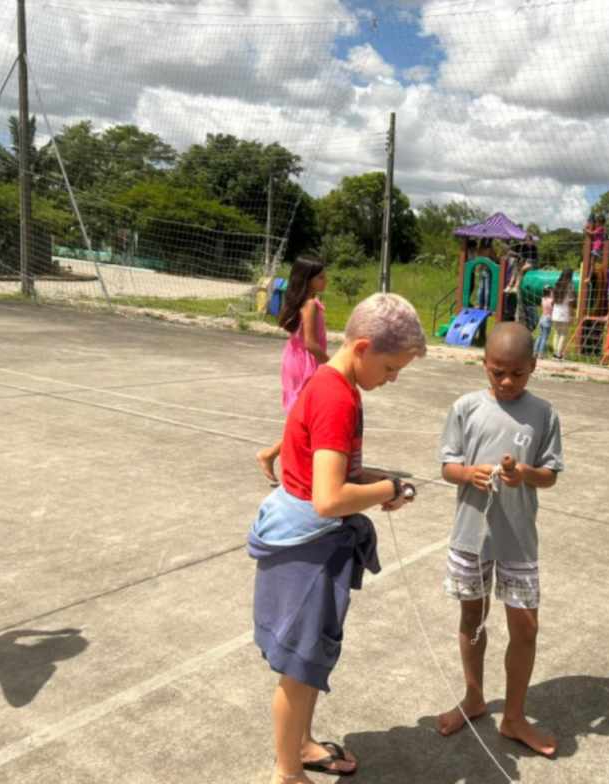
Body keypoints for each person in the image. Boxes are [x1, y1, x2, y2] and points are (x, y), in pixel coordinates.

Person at [248, 293, 428, 783]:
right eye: (390, 368)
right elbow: (328, 498)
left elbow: (327, 473)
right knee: (300, 664)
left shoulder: (335, 384)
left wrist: (382, 481)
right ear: (363, 347)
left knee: (311, 659)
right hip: (307, 547)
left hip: (312, 541)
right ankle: (288, 774)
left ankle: (302, 744)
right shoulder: (337, 399)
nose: (391, 380)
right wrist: (386, 490)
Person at [435, 322, 564, 756]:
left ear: (533, 366)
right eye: (497, 372)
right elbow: (447, 466)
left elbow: (549, 475)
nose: (507, 382)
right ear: (484, 364)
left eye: (517, 373)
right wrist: (467, 473)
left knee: (525, 628)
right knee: (473, 618)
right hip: (471, 536)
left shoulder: (544, 413)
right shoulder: (466, 407)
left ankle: (513, 717)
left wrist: (524, 473)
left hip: (519, 540)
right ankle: (474, 697)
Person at [257, 255, 331, 485]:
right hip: (305, 364)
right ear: (307, 279)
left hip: (295, 360)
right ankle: (271, 454)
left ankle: (272, 454)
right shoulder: (310, 305)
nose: (325, 281)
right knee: (305, 419)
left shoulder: (303, 302)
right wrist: (332, 366)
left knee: (304, 418)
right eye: (320, 277)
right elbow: (310, 344)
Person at [550, 268, 574, 361]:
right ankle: (559, 354)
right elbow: (570, 303)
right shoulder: (570, 286)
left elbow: (553, 300)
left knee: (556, 333)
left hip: (556, 312)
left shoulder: (557, 284)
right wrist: (571, 316)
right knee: (563, 334)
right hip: (564, 313)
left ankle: (555, 353)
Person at [534, 285, 554, 358]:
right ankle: (541, 354)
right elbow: (552, 309)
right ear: (550, 292)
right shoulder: (551, 300)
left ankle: (535, 352)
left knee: (540, 336)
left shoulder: (543, 299)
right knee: (544, 337)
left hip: (542, 318)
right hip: (547, 319)